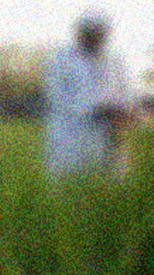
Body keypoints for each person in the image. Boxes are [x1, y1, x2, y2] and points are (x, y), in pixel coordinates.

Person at [43, 10, 133, 178]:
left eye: (99, 33)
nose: (95, 38)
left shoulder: (116, 59)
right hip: (69, 131)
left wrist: (122, 111)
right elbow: (55, 95)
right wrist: (93, 109)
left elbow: (126, 91)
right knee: (67, 181)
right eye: (90, 33)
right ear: (80, 33)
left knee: (111, 183)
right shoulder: (60, 58)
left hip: (109, 130)